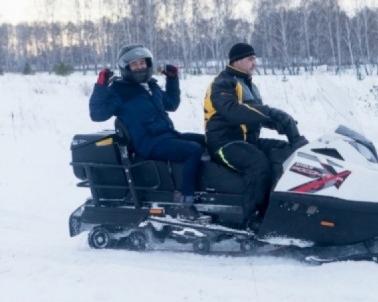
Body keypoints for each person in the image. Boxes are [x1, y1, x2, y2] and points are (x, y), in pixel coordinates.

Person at [89, 44, 207, 221]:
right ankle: (186, 204)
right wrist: (101, 85)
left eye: (142, 63)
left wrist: (172, 79)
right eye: (134, 64)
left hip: (166, 135)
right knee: (193, 150)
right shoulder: (119, 90)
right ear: (126, 67)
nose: (140, 67)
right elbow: (97, 114)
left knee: (208, 140)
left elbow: (172, 104)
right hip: (148, 142)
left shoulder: (150, 86)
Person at [203, 43, 305, 219]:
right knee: (257, 164)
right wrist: (271, 113)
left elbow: (254, 114)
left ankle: (286, 207)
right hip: (224, 143)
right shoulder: (222, 83)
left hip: (248, 141)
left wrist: (278, 123)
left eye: (254, 59)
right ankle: (254, 217)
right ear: (236, 62)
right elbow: (233, 112)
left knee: (285, 152)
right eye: (250, 59)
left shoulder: (248, 85)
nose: (254, 63)